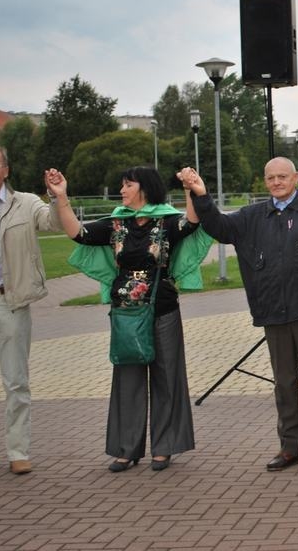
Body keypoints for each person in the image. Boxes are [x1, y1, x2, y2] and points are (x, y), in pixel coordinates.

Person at [178, 159, 298, 473]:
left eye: (283, 176)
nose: (277, 182)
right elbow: (219, 228)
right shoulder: (252, 216)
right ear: (265, 181)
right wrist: (201, 194)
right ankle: (290, 446)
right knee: (283, 382)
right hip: (272, 309)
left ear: (295, 177)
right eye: (271, 178)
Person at [46, 165, 210, 472]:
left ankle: (164, 447)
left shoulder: (166, 220)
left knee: (167, 378)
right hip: (125, 314)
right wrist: (61, 197)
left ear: (144, 188)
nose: (122, 190)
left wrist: (190, 187)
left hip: (162, 310)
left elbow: (191, 222)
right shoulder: (116, 222)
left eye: (127, 184)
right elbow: (78, 234)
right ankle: (127, 449)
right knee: (128, 380)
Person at [0, 143, 65, 475]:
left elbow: (55, 224)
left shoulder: (26, 203)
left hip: (10, 302)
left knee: (15, 381)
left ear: (6, 170)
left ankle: (18, 451)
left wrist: (57, 195)